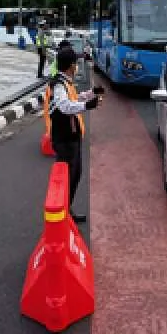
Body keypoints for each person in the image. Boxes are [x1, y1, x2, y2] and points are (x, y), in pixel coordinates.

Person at [46, 46, 102, 223]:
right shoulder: (59, 85)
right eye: (76, 63)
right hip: (64, 140)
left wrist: (92, 93)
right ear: (71, 65)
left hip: (72, 138)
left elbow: (74, 99)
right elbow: (64, 106)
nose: (77, 66)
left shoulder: (66, 83)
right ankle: (63, 214)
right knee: (67, 178)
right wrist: (88, 106)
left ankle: (66, 210)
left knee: (75, 175)